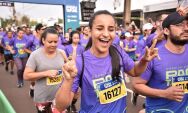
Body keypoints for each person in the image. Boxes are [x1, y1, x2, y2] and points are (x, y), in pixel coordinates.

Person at [55, 10, 158, 113]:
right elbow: (60, 106)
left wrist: (144, 61)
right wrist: (68, 81)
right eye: (100, 28)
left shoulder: (118, 51)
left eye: (111, 29)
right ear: (89, 31)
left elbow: (135, 71)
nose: (106, 34)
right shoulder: (79, 62)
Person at [132, 12, 188, 112]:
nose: (186, 28)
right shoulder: (154, 55)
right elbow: (136, 85)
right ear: (166, 30)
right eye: (179, 25)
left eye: (187, 24)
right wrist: (164, 93)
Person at [24, 28, 67, 113]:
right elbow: (26, 75)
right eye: (50, 42)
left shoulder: (61, 52)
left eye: (55, 42)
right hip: (43, 98)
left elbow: (67, 67)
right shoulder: (35, 55)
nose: (53, 45)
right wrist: (45, 73)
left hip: (59, 97)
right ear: (43, 40)